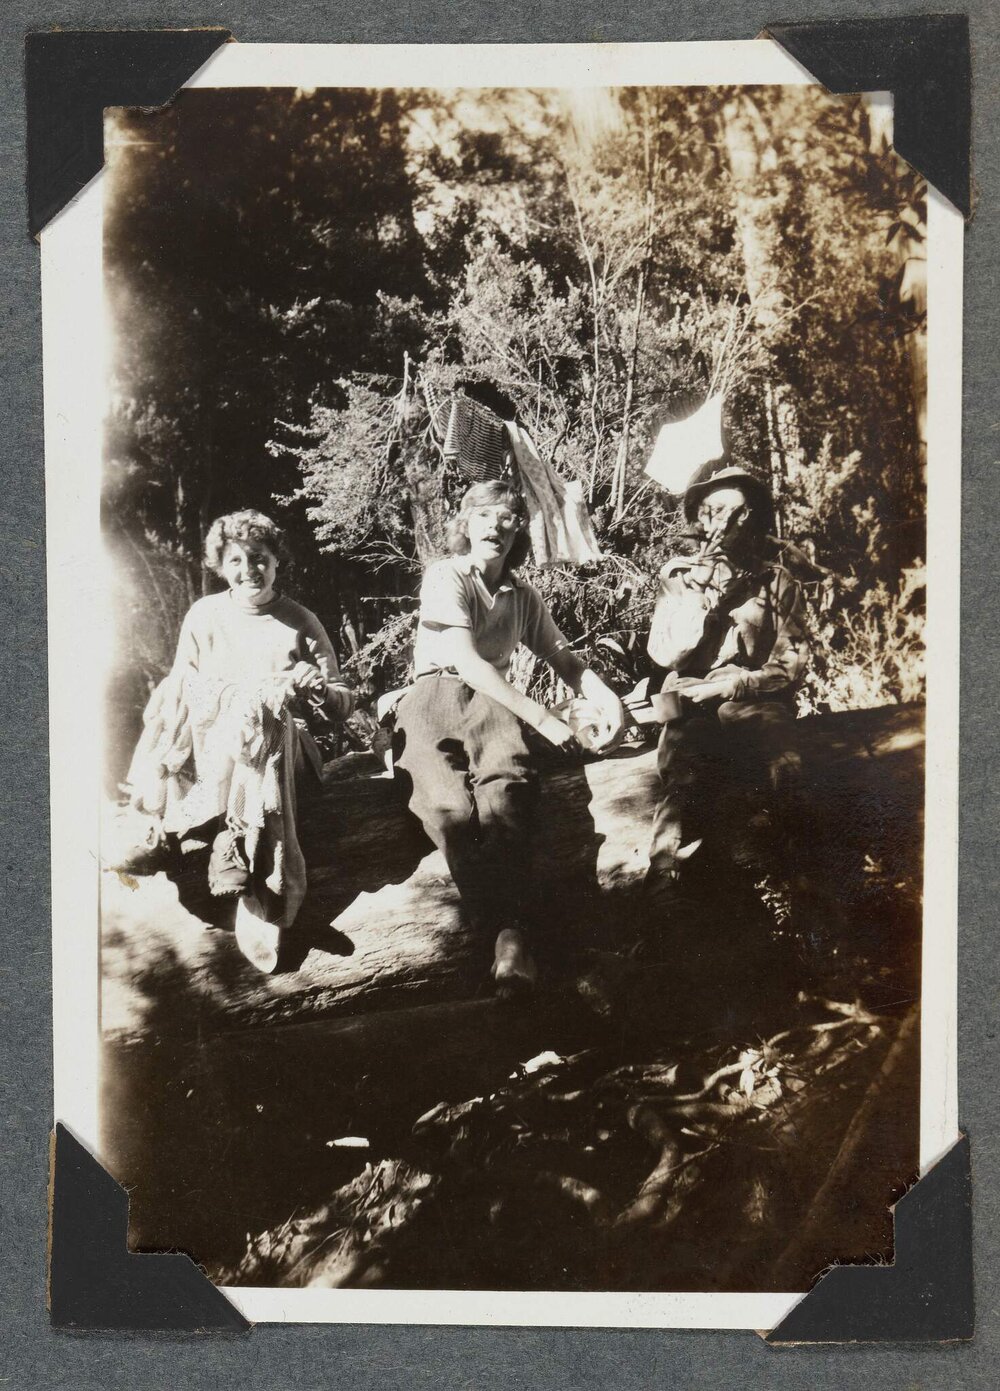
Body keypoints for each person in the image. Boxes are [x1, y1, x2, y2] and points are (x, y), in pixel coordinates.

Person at [393, 480, 626, 996]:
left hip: (492, 704)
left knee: (508, 787)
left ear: (519, 528)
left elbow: (564, 659)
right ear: (465, 525)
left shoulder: (523, 595)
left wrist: (610, 701)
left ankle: (509, 937)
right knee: (448, 807)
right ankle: (505, 930)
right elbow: (467, 662)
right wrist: (543, 718)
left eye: (507, 517)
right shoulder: (447, 575)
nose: (496, 526)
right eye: (484, 516)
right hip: (432, 696)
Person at [116, 509, 355, 971]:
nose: (250, 570)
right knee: (238, 707)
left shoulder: (299, 621)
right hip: (213, 755)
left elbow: (343, 702)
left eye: (260, 558)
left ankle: (227, 837)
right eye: (237, 561)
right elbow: (178, 693)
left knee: (265, 713)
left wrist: (318, 687)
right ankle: (245, 878)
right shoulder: (204, 616)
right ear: (221, 567)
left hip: (286, 755)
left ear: (276, 562)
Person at [644, 462, 810, 913]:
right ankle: (663, 878)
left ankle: (800, 875)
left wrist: (737, 684)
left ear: (754, 519)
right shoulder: (678, 577)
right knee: (683, 761)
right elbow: (662, 656)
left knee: (783, 756)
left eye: (741, 513)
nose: (728, 523)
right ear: (699, 517)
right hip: (690, 695)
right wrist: (697, 600)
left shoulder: (777, 581)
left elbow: (792, 664)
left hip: (750, 695)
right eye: (716, 510)